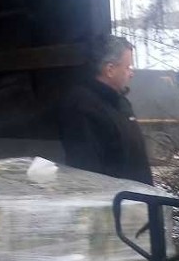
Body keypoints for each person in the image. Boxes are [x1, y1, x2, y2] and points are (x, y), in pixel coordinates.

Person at [59, 35, 153, 184]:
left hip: (137, 199)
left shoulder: (121, 102)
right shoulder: (82, 107)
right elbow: (87, 172)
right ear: (110, 70)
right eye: (127, 67)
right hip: (117, 202)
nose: (131, 73)